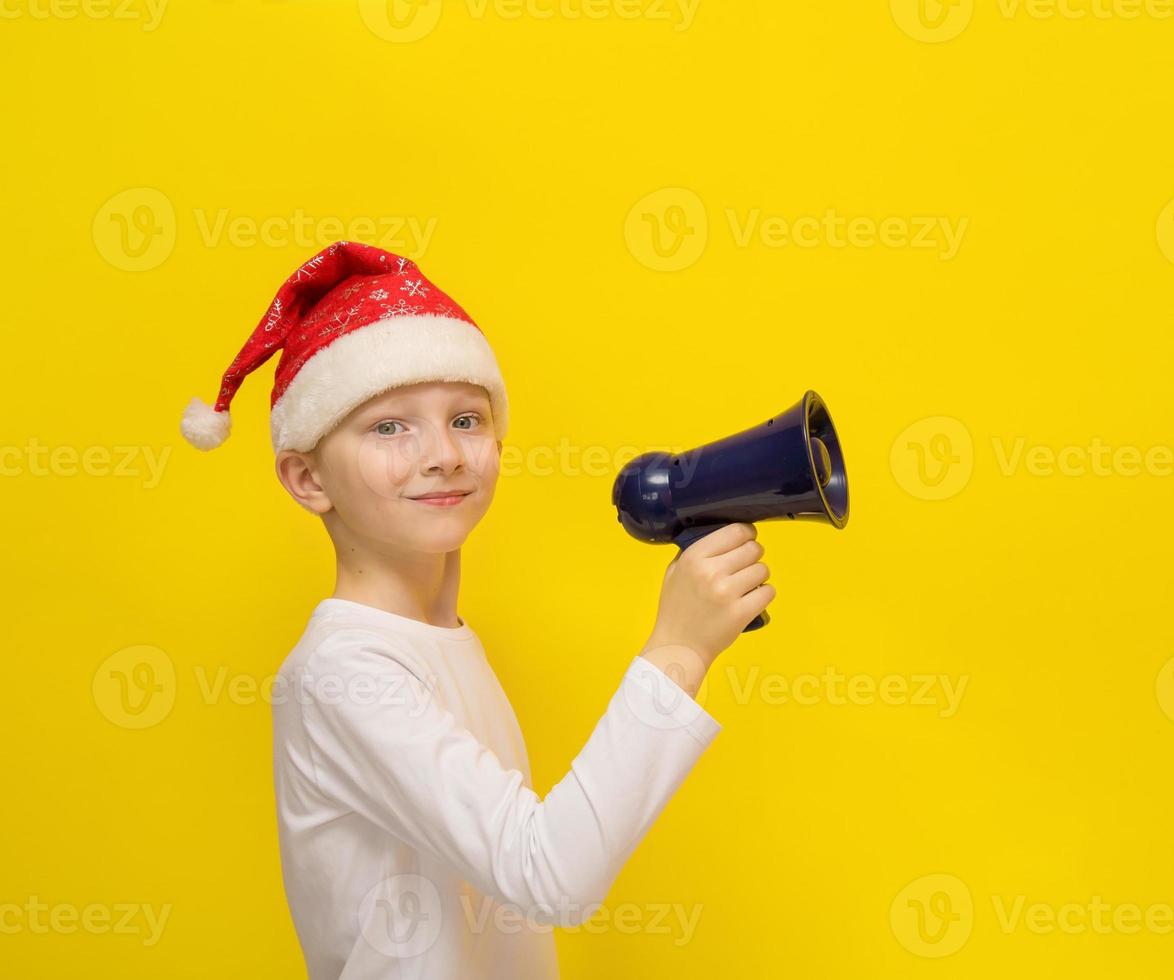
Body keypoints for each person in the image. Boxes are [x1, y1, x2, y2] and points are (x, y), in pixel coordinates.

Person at [179, 240, 774, 978]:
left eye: (466, 419)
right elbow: (549, 874)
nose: (445, 455)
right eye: (388, 427)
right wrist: (679, 650)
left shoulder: (444, 640)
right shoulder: (344, 672)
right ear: (306, 478)